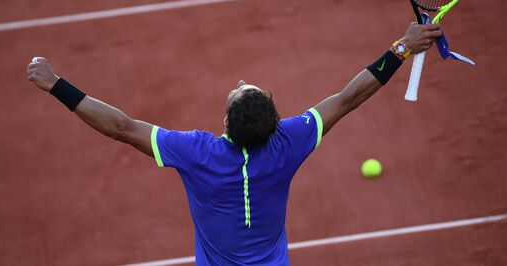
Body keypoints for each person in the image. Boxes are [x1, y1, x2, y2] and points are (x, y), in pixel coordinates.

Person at [26, 22, 442, 265]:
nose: (241, 81)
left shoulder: (194, 151)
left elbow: (120, 126)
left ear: (224, 122)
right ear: (277, 122)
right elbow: (349, 97)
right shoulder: (290, 141)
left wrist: (56, 85)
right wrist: (402, 47)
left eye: (240, 89)